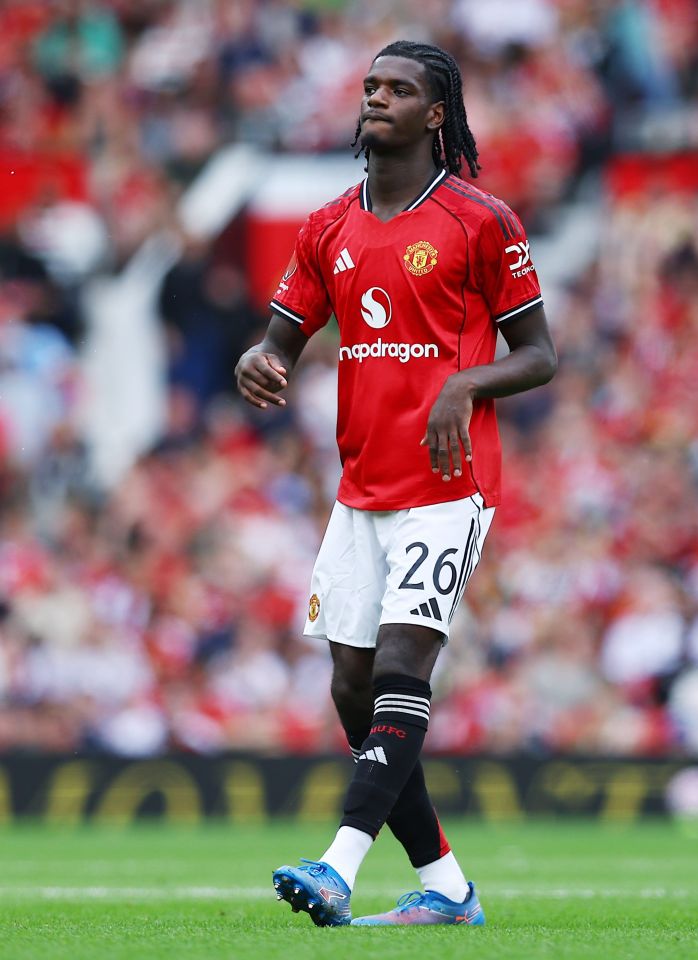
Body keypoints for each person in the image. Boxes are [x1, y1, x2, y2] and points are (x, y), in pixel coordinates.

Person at [235, 39, 557, 927]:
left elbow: (539, 356)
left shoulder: (480, 221)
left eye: (399, 88)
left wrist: (464, 382)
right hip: (361, 485)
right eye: (371, 85)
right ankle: (448, 888)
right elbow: (280, 338)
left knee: (404, 664)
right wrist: (259, 360)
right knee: (350, 686)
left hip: (450, 486)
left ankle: (339, 867)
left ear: (435, 113)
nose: (377, 97)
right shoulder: (328, 225)